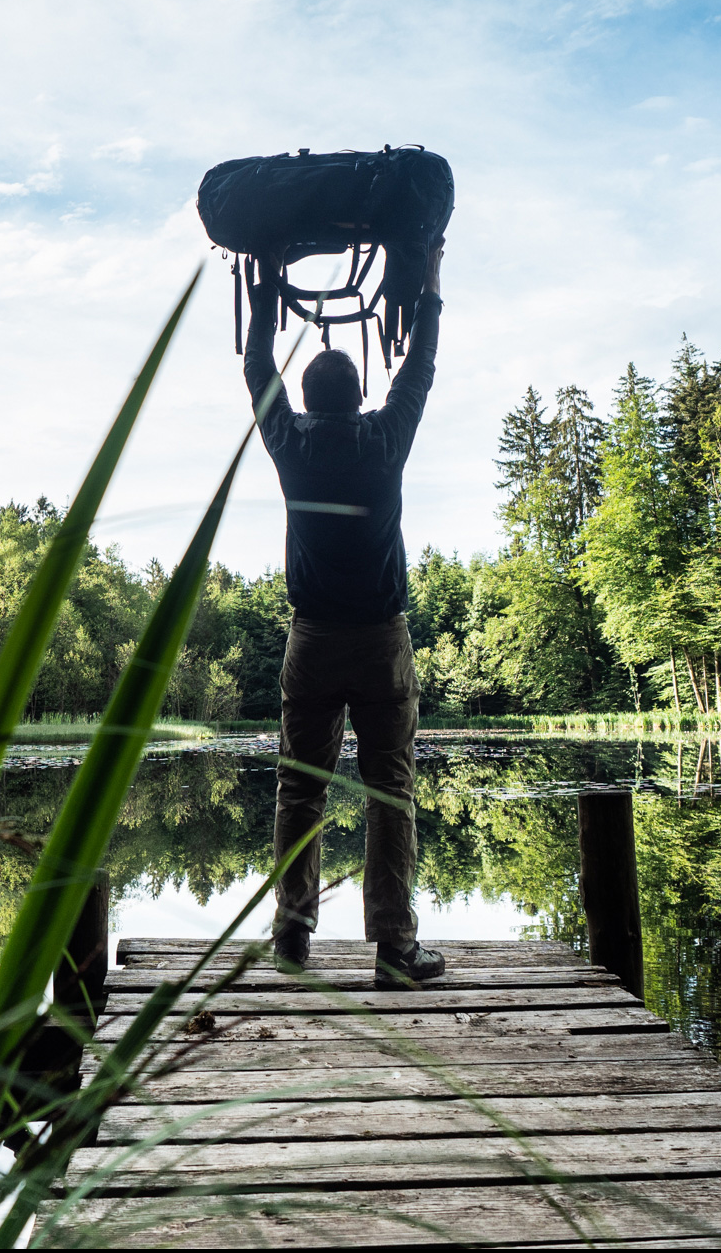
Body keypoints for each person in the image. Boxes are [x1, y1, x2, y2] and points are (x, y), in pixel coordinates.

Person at [242, 237, 448, 989]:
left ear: (308, 399)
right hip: (381, 642)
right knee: (392, 789)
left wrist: (265, 292)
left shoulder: (289, 441)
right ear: (359, 397)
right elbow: (418, 371)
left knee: (300, 789)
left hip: (313, 642)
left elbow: (256, 368)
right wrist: (428, 287)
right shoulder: (384, 438)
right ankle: (395, 949)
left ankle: (292, 938)